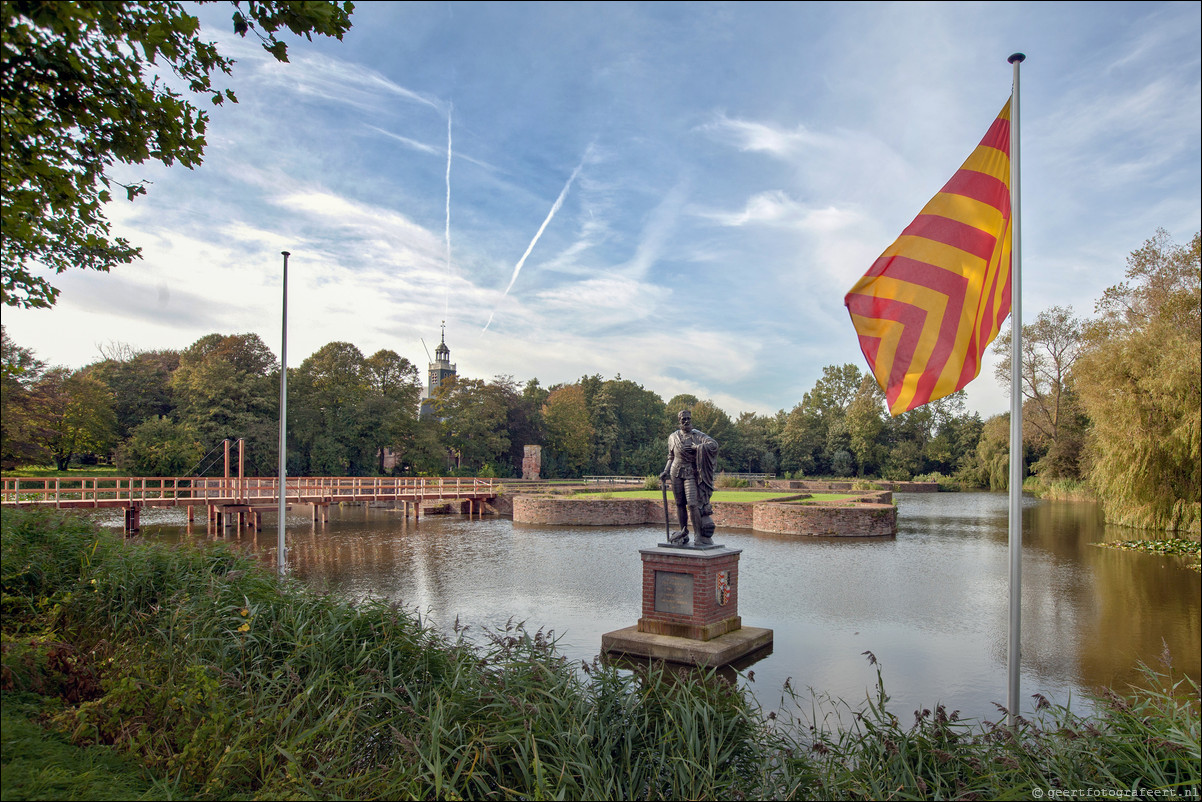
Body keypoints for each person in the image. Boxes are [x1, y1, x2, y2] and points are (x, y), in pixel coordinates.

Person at [659, 409, 718, 546]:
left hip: (691, 473)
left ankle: (698, 535)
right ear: (679, 421)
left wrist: (698, 448)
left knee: (692, 504)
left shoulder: (698, 435)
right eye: (683, 419)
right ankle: (683, 532)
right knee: (680, 504)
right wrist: (665, 471)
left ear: (691, 419)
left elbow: (713, 445)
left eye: (688, 419)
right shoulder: (673, 437)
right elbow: (671, 457)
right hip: (675, 472)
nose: (686, 421)